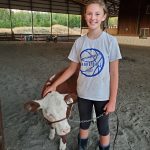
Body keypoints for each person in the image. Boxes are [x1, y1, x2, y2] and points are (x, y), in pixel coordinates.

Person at [43, 0, 122, 149]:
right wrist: (54, 85)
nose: (93, 17)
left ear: (104, 16)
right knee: (84, 124)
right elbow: (72, 69)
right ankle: (82, 146)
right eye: (89, 13)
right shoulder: (79, 42)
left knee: (103, 128)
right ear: (85, 16)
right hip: (83, 94)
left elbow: (114, 73)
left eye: (97, 14)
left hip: (102, 96)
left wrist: (112, 100)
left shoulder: (110, 41)